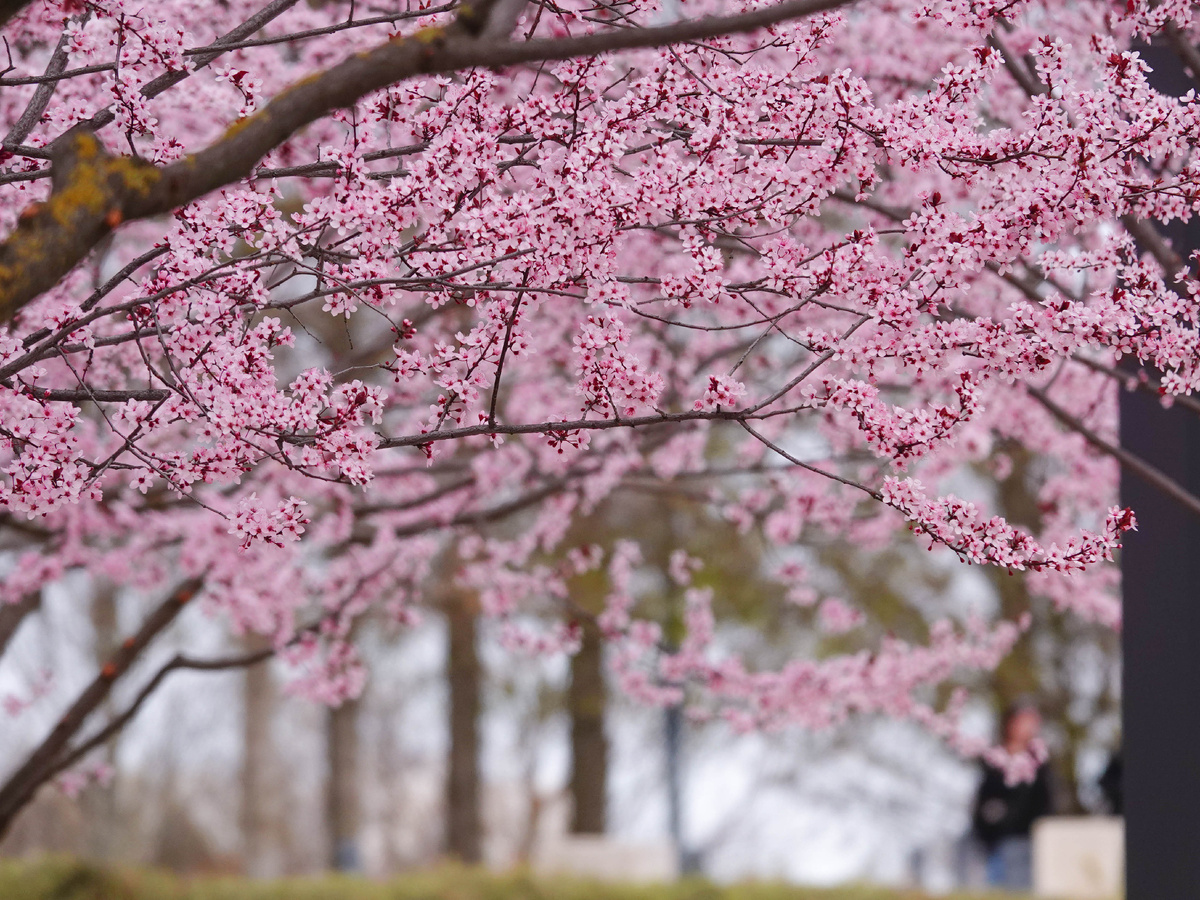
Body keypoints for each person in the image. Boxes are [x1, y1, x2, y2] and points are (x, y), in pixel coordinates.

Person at [969, 702, 1054, 891]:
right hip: (990, 841)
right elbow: (982, 799)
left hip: (1023, 841)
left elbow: (1046, 802)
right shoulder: (993, 759)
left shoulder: (1040, 763)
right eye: (1023, 722)